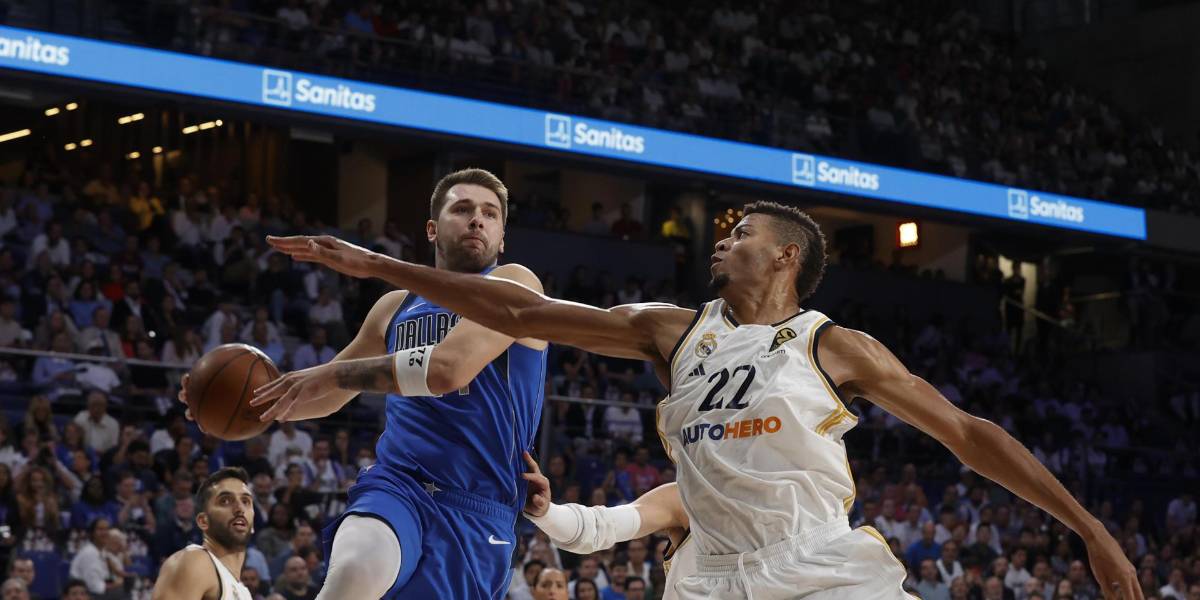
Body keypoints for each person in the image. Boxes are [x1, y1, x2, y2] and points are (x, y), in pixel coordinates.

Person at [269, 199, 1139, 599]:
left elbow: (969, 435)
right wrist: (379, 266)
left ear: (787, 258)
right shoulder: (668, 330)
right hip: (712, 579)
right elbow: (520, 312)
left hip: (820, 568)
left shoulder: (833, 345)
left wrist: (1090, 529)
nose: (723, 241)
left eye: (742, 234)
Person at [199, 169, 549, 599]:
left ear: (502, 238)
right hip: (398, 484)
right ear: (432, 229)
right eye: (462, 209)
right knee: (354, 571)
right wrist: (237, 404)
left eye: (490, 214)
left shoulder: (515, 284)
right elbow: (327, 396)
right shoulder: (394, 307)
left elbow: (447, 370)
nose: (477, 219)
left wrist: (329, 372)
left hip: (479, 507)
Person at [151, 467, 255, 600]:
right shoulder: (194, 561)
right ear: (203, 521)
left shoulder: (243, 591)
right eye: (225, 501)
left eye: (245, 501)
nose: (240, 508)